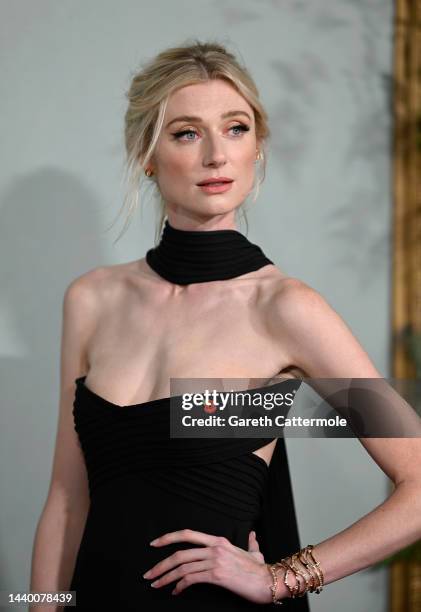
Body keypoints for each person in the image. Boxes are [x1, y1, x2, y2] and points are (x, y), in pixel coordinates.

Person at [30, 40, 421, 611]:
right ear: (147, 153)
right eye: (187, 133)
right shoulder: (91, 299)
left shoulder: (286, 309)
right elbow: (68, 499)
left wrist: (283, 578)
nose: (217, 154)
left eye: (236, 128)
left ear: (257, 146)